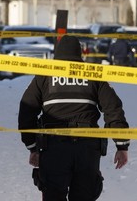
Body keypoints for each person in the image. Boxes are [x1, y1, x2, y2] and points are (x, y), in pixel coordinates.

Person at [19, 35, 130, 201]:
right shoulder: (93, 75)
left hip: (54, 147)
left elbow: (26, 112)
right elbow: (113, 109)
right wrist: (122, 145)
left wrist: (33, 147)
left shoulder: (44, 77)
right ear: (80, 54)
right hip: (87, 147)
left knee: (53, 195)